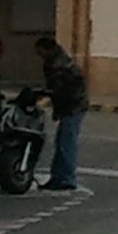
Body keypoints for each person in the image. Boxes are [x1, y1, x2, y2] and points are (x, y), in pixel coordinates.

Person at [34, 36, 87, 191]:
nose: (38, 55)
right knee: (61, 142)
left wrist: (46, 100)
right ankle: (58, 177)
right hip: (69, 105)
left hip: (73, 106)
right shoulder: (53, 62)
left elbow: (59, 90)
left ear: (46, 50)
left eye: (40, 51)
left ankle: (66, 178)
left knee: (66, 143)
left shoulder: (60, 66)